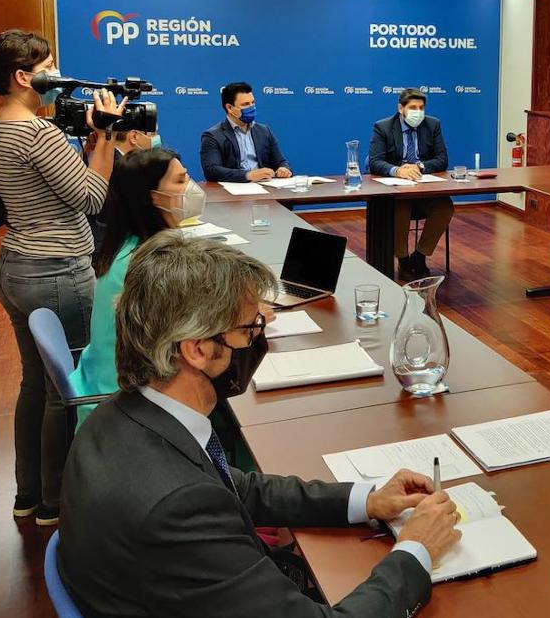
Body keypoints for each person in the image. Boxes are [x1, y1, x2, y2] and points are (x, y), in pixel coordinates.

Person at [59, 233, 461, 616]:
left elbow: (234, 487)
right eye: (249, 329)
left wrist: (365, 501)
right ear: (198, 350)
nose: (258, 341)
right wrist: (416, 550)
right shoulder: (177, 506)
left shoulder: (120, 417)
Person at [0, 29, 125, 526]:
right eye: (49, 67)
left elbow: (61, 186)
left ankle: (29, 494)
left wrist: (91, 140)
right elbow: (92, 198)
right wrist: (106, 136)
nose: (59, 75)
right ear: (24, 77)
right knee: (68, 391)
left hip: (17, 266)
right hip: (56, 270)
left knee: (36, 386)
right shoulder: (37, 132)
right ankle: (57, 501)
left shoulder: (0, 125)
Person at [69, 146, 199, 429]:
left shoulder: (131, 246)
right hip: (122, 404)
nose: (191, 187)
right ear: (153, 196)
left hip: (107, 381)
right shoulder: (145, 266)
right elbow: (189, 333)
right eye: (180, 180)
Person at [368, 88, 453, 281]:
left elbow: (442, 159)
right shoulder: (383, 127)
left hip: (424, 190)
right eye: (413, 107)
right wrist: (398, 170)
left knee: (445, 207)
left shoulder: (432, 124)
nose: (418, 112)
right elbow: (375, 161)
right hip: (396, 191)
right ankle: (403, 259)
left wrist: (420, 166)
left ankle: (419, 257)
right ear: (401, 108)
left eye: (421, 108)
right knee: (400, 207)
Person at [200, 82, 292, 182]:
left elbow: (280, 161)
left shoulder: (264, 131)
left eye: (253, 103)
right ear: (229, 108)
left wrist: (284, 168)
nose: (251, 107)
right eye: (246, 104)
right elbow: (212, 171)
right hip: (235, 187)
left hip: (266, 185)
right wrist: (248, 175)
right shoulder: (213, 136)